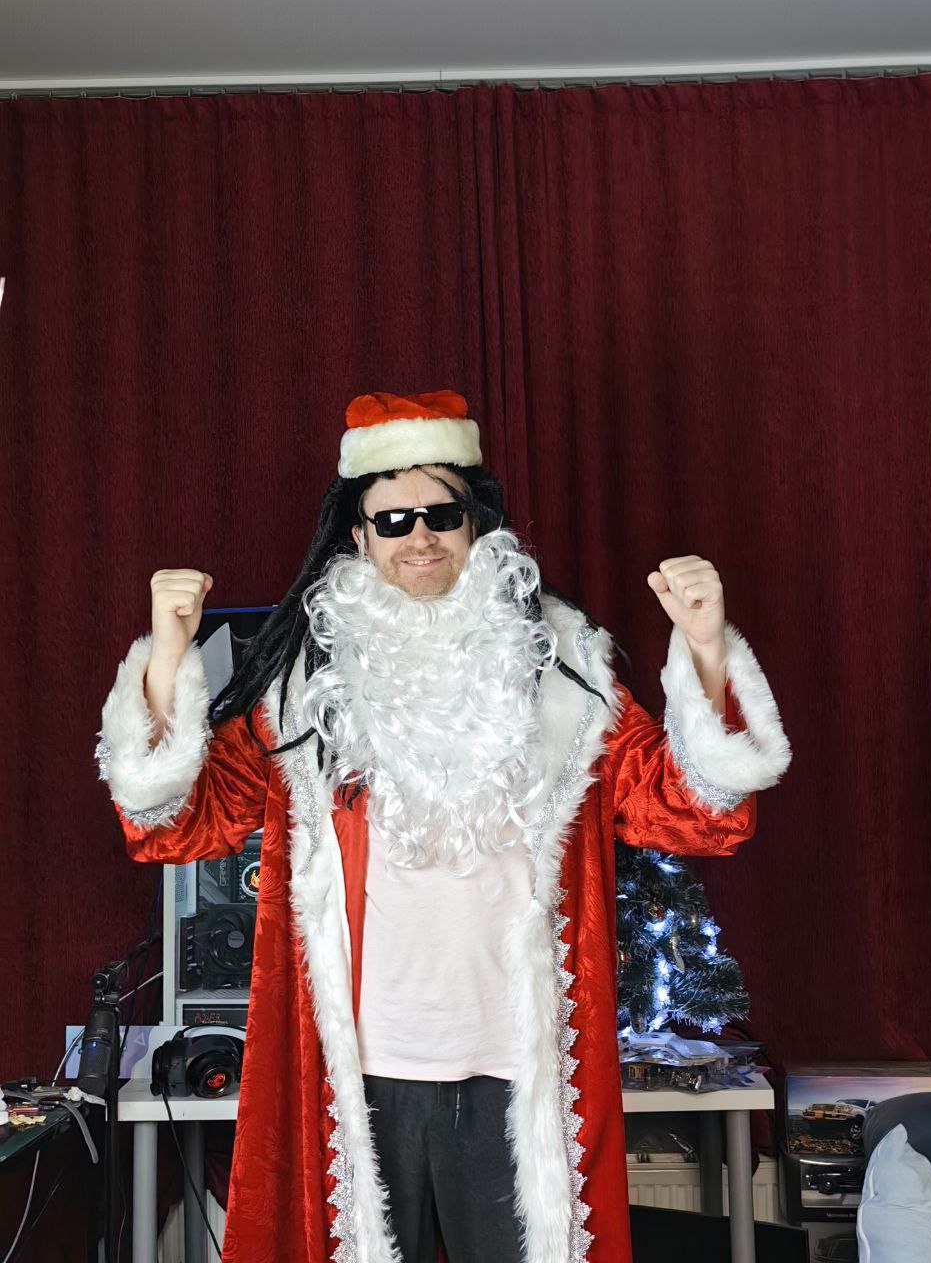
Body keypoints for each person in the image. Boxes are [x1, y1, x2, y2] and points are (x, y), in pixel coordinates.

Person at [97, 390, 791, 1263]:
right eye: (393, 520)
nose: (419, 537)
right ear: (359, 538)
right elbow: (171, 825)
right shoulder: (303, 699)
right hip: (360, 1070)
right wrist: (166, 659)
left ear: (477, 526)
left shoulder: (566, 682)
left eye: (441, 514)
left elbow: (695, 814)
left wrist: (706, 649)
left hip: (519, 1070)